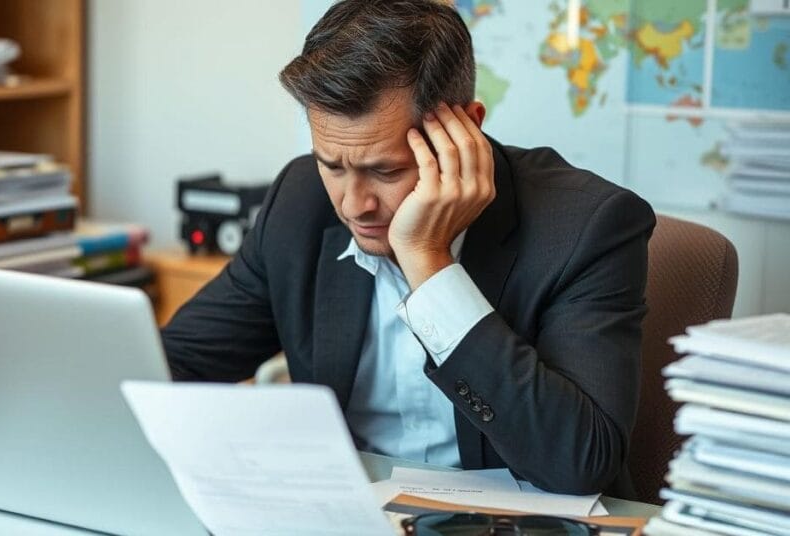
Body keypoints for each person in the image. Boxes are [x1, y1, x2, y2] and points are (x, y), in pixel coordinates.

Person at [162, 0, 654, 499]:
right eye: (331, 164)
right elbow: (174, 363)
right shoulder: (299, 202)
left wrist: (429, 262)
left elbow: (579, 462)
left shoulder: (589, 227)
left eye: (386, 170)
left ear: (466, 131)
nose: (354, 204)